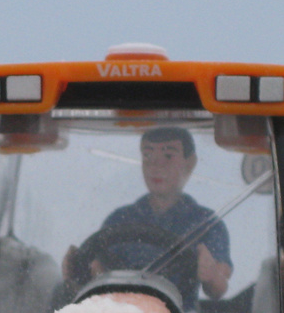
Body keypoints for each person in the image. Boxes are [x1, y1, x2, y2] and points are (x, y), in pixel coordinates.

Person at [65, 127, 233, 302]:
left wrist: (211, 274)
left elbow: (219, 288)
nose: (156, 166)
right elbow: (96, 274)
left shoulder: (206, 223)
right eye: (148, 156)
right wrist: (76, 271)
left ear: (189, 163)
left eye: (168, 156)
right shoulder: (120, 219)